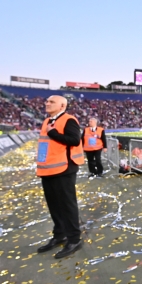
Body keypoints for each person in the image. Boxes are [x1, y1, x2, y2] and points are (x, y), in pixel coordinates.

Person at [36, 95, 85, 259]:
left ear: (62, 105)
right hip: (47, 170)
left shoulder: (69, 120)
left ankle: (74, 239)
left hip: (64, 169)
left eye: (51, 102)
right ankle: (59, 235)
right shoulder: (47, 121)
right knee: (54, 206)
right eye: (47, 101)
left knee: (67, 205)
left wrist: (54, 133)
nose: (47, 103)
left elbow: (74, 140)